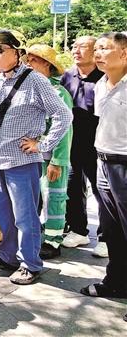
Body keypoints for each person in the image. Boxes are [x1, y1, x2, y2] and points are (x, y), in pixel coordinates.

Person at [0, 29, 72, 285]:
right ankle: (8, 256)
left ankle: (30, 263)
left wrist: (43, 145)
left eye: (0, 49)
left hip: (23, 161)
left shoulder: (35, 80)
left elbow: (63, 115)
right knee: (3, 213)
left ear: (17, 53)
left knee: (25, 217)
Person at [79, 32, 127, 310]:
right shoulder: (100, 84)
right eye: (96, 48)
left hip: (125, 164)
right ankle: (116, 281)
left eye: (104, 48)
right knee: (112, 229)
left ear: (124, 53)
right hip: (103, 162)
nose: (97, 53)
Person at [24, 44, 73, 259]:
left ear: (47, 64)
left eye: (34, 60)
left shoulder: (59, 92)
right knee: (35, 198)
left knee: (54, 197)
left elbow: (64, 129)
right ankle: (40, 234)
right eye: (28, 60)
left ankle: (53, 240)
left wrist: (58, 161)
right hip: (30, 156)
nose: (28, 64)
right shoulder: (29, 89)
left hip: (50, 157)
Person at [61, 35, 108, 257]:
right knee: (72, 187)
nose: (76, 50)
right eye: (74, 46)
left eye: (82, 47)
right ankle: (78, 230)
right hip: (72, 142)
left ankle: (106, 237)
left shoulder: (105, 77)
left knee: (102, 191)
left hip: (97, 144)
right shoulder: (67, 75)